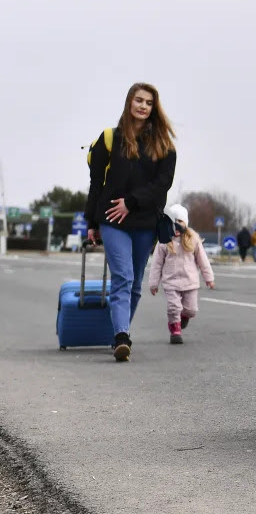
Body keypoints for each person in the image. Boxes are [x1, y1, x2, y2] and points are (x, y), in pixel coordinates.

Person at [85, 83, 176, 362]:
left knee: (135, 283)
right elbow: (96, 183)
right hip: (112, 220)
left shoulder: (164, 146)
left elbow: (163, 185)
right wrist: (92, 221)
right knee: (122, 277)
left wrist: (132, 202)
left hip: (145, 222)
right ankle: (121, 337)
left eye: (148, 103)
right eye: (138, 100)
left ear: (153, 108)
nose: (143, 106)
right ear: (129, 102)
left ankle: (120, 331)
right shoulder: (110, 138)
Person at [148, 204, 215, 344]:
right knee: (174, 308)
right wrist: (154, 283)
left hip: (190, 282)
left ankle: (183, 318)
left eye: (180, 222)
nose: (176, 226)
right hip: (171, 282)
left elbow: (203, 261)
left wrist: (208, 277)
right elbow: (156, 264)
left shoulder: (193, 240)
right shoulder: (164, 241)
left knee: (191, 310)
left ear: (185, 223)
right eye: (173, 223)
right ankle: (175, 330)